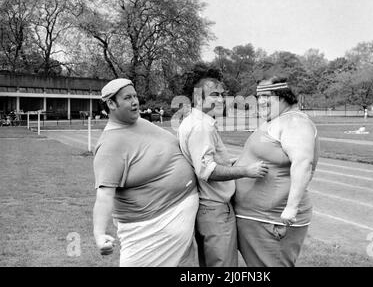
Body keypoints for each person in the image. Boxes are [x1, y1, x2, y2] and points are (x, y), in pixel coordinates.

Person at [92, 78, 199, 267]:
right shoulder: (110, 146)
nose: (135, 101)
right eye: (127, 98)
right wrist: (99, 234)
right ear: (111, 103)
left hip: (179, 225)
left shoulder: (140, 122)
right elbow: (104, 196)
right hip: (148, 234)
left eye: (135, 96)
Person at [177, 76, 269, 267]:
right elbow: (207, 171)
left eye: (222, 95)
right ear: (198, 98)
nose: (220, 100)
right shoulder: (201, 126)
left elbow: (205, 161)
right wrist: (246, 170)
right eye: (214, 95)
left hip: (207, 208)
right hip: (214, 209)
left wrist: (233, 162)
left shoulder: (196, 121)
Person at [233, 76, 320, 267]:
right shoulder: (278, 120)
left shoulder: (295, 121)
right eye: (258, 96)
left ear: (283, 96)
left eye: (267, 96)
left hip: (272, 220)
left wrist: (290, 208)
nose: (261, 101)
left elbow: (303, 162)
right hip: (259, 217)